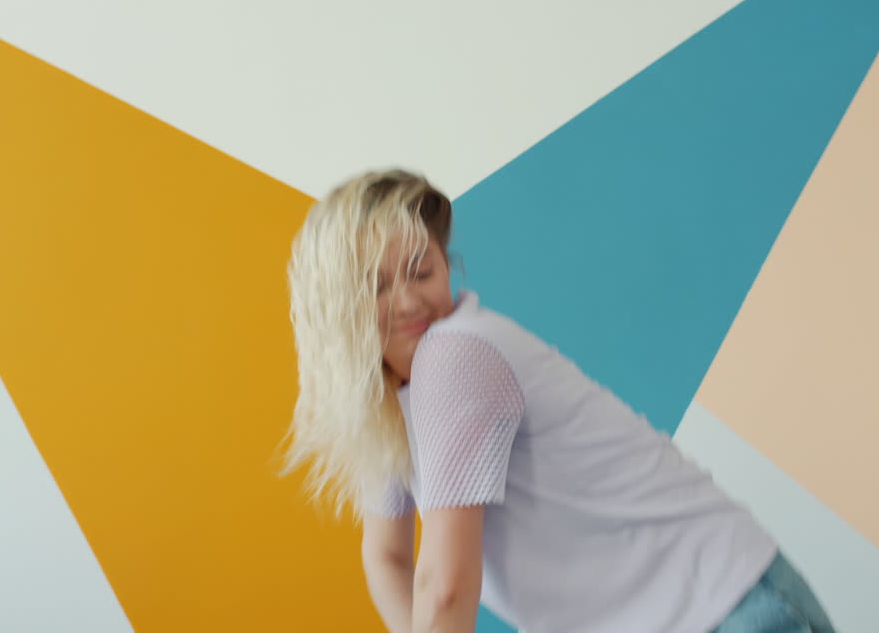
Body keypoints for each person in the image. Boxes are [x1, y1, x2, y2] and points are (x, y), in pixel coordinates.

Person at [280, 169, 835, 632]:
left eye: (421, 272)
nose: (408, 302)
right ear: (335, 305)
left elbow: (445, 586)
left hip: (724, 610)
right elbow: (387, 557)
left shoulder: (454, 355)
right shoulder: (390, 404)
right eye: (375, 286)